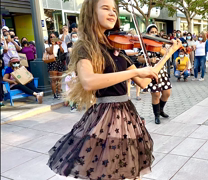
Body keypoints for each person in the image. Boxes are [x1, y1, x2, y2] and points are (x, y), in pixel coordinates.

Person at [47, 1, 181, 180]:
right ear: (91, 13)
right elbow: (88, 82)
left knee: (132, 171)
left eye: (114, 10)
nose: (112, 14)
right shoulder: (85, 47)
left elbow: (144, 80)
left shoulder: (117, 48)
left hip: (127, 113)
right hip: (106, 115)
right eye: (105, 8)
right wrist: (134, 71)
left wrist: (169, 53)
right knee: (110, 172)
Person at [138, 24, 172, 124]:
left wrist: (157, 46)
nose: (153, 34)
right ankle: (156, 115)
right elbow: (139, 59)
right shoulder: (144, 46)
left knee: (167, 93)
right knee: (156, 94)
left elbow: (166, 54)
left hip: (162, 72)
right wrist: (148, 59)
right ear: (148, 33)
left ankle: (160, 109)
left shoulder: (161, 44)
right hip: (151, 72)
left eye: (155, 32)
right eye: (151, 32)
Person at [45, 32, 65, 99]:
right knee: (53, 79)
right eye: (51, 37)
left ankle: (59, 92)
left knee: (59, 79)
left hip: (59, 61)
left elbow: (62, 51)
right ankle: (55, 93)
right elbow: (50, 52)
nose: (52, 38)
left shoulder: (58, 45)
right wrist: (53, 45)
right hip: (52, 62)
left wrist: (59, 45)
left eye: (54, 37)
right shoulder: (47, 45)